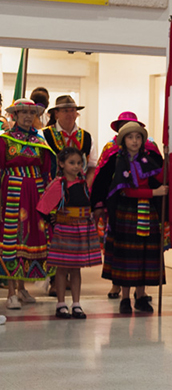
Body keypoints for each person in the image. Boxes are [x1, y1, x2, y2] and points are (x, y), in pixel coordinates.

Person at [90, 121, 168, 314]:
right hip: (125, 212)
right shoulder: (116, 161)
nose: (134, 141)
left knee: (145, 254)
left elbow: (161, 178)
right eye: (130, 137)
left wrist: (169, 159)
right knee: (126, 256)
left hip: (147, 211)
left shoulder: (149, 159)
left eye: (138, 137)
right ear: (123, 140)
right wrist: (154, 192)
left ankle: (141, 297)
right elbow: (124, 190)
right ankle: (125, 298)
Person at [0, 99, 54, 309]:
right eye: (23, 112)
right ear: (15, 115)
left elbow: (46, 170)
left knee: (31, 236)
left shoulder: (40, 141)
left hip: (36, 191)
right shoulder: (5, 140)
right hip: (13, 191)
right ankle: (11, 292)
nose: (28, 116)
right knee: (13, 238)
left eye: (31, 113)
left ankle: (22, 288)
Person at [36, 147, 102, 318]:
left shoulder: (83, 184)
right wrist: (54, 222)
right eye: (72, 163)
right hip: (65, 230)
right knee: (62, 268)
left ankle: (76, 304)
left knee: (76, 268)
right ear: (61, 164)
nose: (76, 166)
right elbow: (43, 207)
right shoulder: (59, 184)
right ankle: (61, 304)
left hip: (81, 229)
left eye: (79, 163)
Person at [42, 95, 96, 185]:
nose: (70, 114)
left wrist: (86, 186)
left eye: (73, 110)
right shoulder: (44, 134)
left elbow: (92, 166)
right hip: (52, 187)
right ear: (56, 114)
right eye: (65, 111)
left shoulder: (87, 137)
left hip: (79, 187)